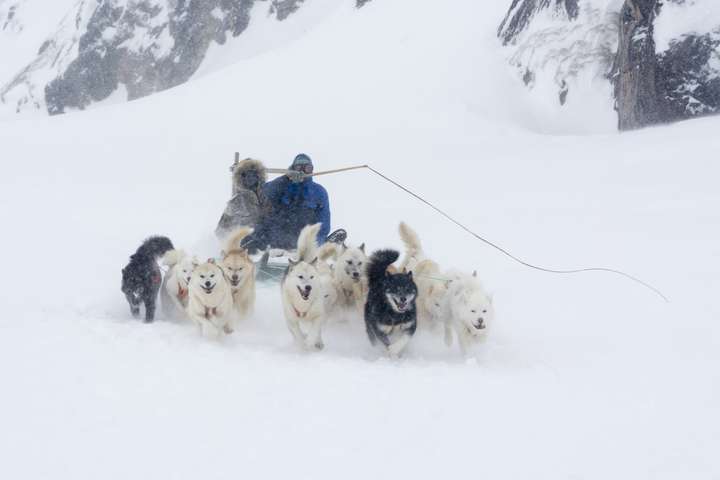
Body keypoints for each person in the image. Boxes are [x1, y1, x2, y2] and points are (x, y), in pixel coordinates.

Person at [241, 153, 344, 253]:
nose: (303, 171)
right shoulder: (281, 186)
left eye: (307, 168)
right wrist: (285, 178)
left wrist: (316, 243)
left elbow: (323, 223)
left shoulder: (319, 192)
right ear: (293, 168)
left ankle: (326, 245)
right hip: (276, 238)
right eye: (299, 167)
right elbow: (264, 193)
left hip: (303, 241)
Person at [215, 158, 270, 238]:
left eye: (253, 174)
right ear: (241, 178)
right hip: (243, 244)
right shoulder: (236, 202)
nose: (250, 178)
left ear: (259, 176)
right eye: (247, 175)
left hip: (266, 242)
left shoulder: (268, 195)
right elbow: (221, 229)